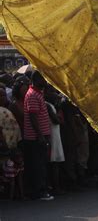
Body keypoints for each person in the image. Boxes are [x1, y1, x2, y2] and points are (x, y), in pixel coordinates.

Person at [22, 71, 54, 200]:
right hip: (35, 137)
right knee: (37, 165)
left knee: (41, 164)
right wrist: (40, 136)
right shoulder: (32, 95)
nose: (45, 82)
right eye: (43, 79)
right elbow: (33, 117)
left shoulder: (38, 93)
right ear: (37, 79)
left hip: (41, 135)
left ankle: (41, 188)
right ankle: (39, 191)